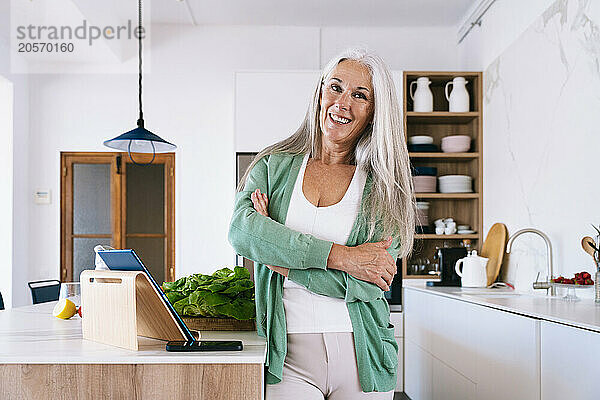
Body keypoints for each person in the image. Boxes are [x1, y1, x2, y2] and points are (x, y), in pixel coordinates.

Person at [228, 47, 415, 399]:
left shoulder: (383, 187)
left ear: (374, 113)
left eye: (360, 95)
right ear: (319, 94)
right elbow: (241, 232)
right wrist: (343, 257)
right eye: (335, 87)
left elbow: (370, 286)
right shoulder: (272, 166)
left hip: (364, 355)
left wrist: (277, 258)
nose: (342, 103)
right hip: (288, 358)